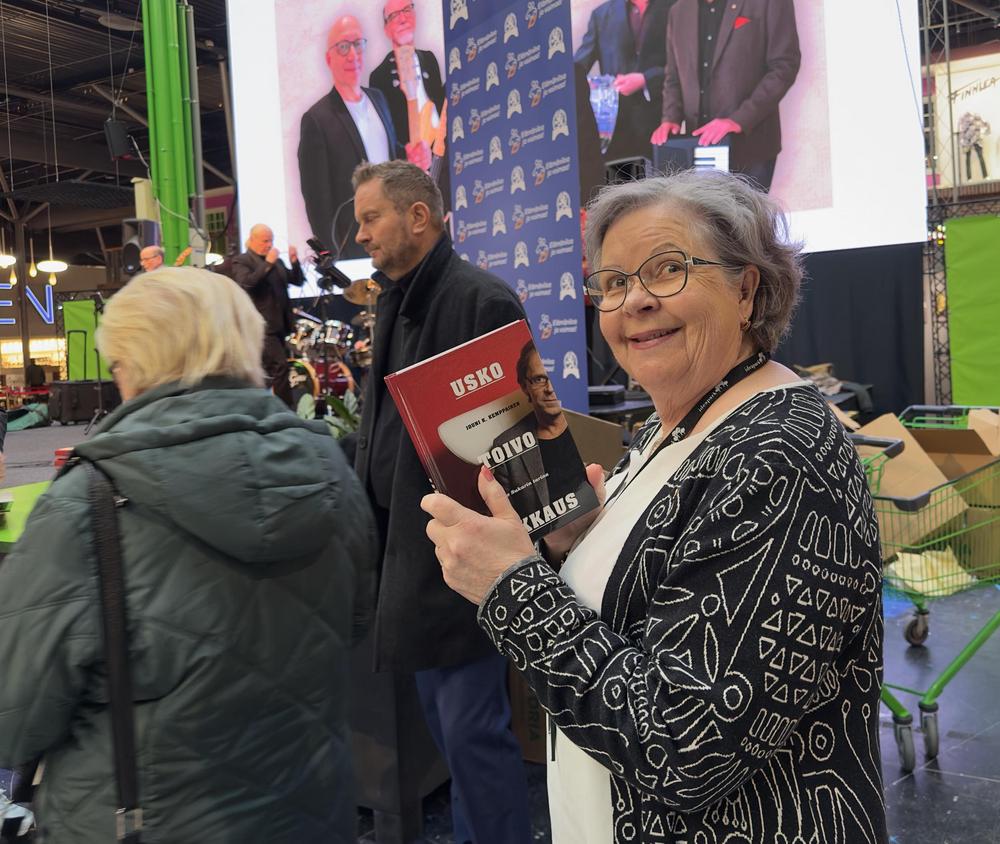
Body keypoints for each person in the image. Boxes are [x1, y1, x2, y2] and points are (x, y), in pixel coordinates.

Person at [423, 170, 887, 843]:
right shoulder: (671, 427)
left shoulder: (778, 454)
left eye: (668, 269)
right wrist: (572, 545)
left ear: (745, 289)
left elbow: (687, 745)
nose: (634, 301)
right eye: (613, 282)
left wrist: (511, 588)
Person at [0, 268, 376, 843]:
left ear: (132, 365)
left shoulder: (86, 502)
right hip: (310, 809)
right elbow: (353, 623)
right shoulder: (330, 470)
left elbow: (14, 718)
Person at [351, 160, 532, 844]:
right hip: (411, 555)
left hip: (462, 563)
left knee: (472, 737)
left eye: (371, 218)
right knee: (453, 736)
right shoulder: (396, 301)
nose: (361, 234)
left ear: (418, 216)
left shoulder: (481, 301)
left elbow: (518, 446)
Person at [298, 15, 429, 259]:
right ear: (329, 59)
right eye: (343, 47)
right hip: (354, 247)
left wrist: (409, 156)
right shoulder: (317, 120)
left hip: (394, 238)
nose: (353, 55)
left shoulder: (378, 99)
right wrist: (336, 259)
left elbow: (389, 155)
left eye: (358, 44)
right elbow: (317, 203)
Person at [651, 0, 800, 191]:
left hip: (751, 147)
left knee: (746, 212)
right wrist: (670, 118)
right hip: (697, 149)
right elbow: (673, 76)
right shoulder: (678, 11)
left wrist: (738, 120)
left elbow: (784, 66)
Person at [491, 341, 587, 523]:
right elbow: (505, 519)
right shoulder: (505, 445)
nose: (550, 389)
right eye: (539, 379)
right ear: (524, 386)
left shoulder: (593, 430)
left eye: (555, 377)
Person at [574, 0, 676, 163]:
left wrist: (645, 79)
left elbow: (684, 66)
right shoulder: (601, 15)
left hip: (662, 122)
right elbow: (578, 68)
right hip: (616, 129)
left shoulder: (674, 7)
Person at [229, 223, 304, 408]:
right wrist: (267, 264)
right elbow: (247, 283)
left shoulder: (277, 261)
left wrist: (295, 262)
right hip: (262, 325)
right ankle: (287, 411)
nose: (269, 245)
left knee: (270, 370)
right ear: (252, 240)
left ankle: (266, 407)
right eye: (265, 241)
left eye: (271, 240)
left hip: (280, 323)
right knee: (280, 367)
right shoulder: (242, 261)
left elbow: (297, 280)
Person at [369, 1, 443, 153]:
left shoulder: (430, 60)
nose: (403, 19)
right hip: (413, 159)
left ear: (415, 15)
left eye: (407, 10)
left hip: (443, 152)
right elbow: (387, 137)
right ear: (386, 30)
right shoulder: (379, 76)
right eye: (394, 15)